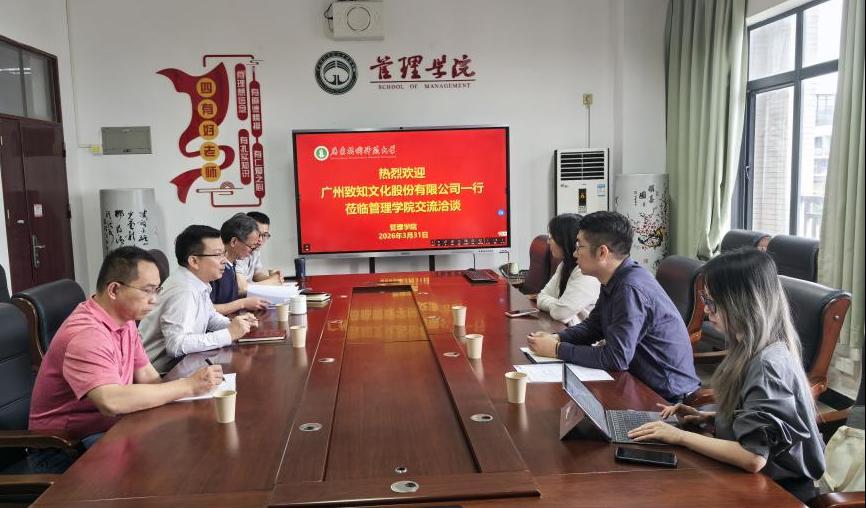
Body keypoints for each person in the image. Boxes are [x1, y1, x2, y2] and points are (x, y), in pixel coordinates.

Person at [628, 249, 825, 503]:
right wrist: (710, 417)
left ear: (741, 303)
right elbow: (763, 426)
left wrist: (679, 436)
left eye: (712, 302)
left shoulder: (768, 365)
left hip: (782, 492)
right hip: (761, 480)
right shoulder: (751, 346)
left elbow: (753, 457)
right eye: (705, 299)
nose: (706, 310)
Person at [28, 246, 224, 472]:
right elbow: (111, 402)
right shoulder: (87, 334)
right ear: (114, 289)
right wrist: (187, 386)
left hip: (109, 429)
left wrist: (194, 392)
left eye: (157, 290)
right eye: (147, 291)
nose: (154, 300)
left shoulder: (125, 319)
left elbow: (148, 377)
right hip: (64, 449)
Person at [527, 211, 700, 402]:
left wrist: (557, 349)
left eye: (579, 246)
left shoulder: (629, 288)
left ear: (602, 252)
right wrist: (558, 337)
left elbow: (616, 359)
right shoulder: (615, 278)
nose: (575, 253)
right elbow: (594, 326)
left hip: (665, 397)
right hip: (636, 380)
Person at [140, 225, 259, 372]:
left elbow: (210, 317)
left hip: (184, 364)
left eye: (224, 253)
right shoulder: (184, 290)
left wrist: (236, 325)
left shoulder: (197, 282)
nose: (224, 260)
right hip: (163, 374)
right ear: (194, 261)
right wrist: (228, 334)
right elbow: (176, 345)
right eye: (217, 255)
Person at [531, 213, 600, 326]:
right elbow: (541, 297)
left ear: (564, 240)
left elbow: (561, 314)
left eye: (551, 237)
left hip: (581, 335)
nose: (548, 242)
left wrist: (559, 306)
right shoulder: (564, 264)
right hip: (565, 329)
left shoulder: (586, 273)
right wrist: (559, 304)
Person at [210, 213, 269, 314]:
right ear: (234, 242)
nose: (252, 252)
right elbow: (206, 310)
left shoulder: (232, 265)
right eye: (251, 247)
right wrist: (243, 304)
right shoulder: (214, 269)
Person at [235, 211, 282, 286]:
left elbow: (256, 275)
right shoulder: (238, 251)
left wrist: (273, 279)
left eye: (264, 235)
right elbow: (241, 287)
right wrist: (271, 281)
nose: (260, 240)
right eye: (257, 234)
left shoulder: (256, 250)